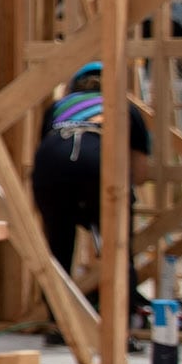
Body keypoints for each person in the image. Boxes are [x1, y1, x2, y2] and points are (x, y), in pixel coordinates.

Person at [31, 59, 152, 337]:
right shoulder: (124, 106)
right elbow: (141, 172)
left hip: (52, 164)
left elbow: (45, 149)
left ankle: (60, 326)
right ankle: (121, 330)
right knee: (117, 249)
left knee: (59, 247)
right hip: (96, 163)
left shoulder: (58, 107)